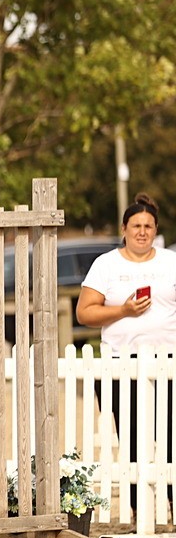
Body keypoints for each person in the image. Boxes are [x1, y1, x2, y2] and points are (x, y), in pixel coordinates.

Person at [76, 193, 176, 518]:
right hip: (121, 363)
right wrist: (124, 310)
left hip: (168, 362)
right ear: (124, 229)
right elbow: (85, 313)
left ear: (156, 229)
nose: (142, 232)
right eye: (136, 225)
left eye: (148, 226)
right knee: (131, 440)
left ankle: (173, 507)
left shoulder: (170, 262)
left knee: (171, 438)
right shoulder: (106, 264)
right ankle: (136, 509)